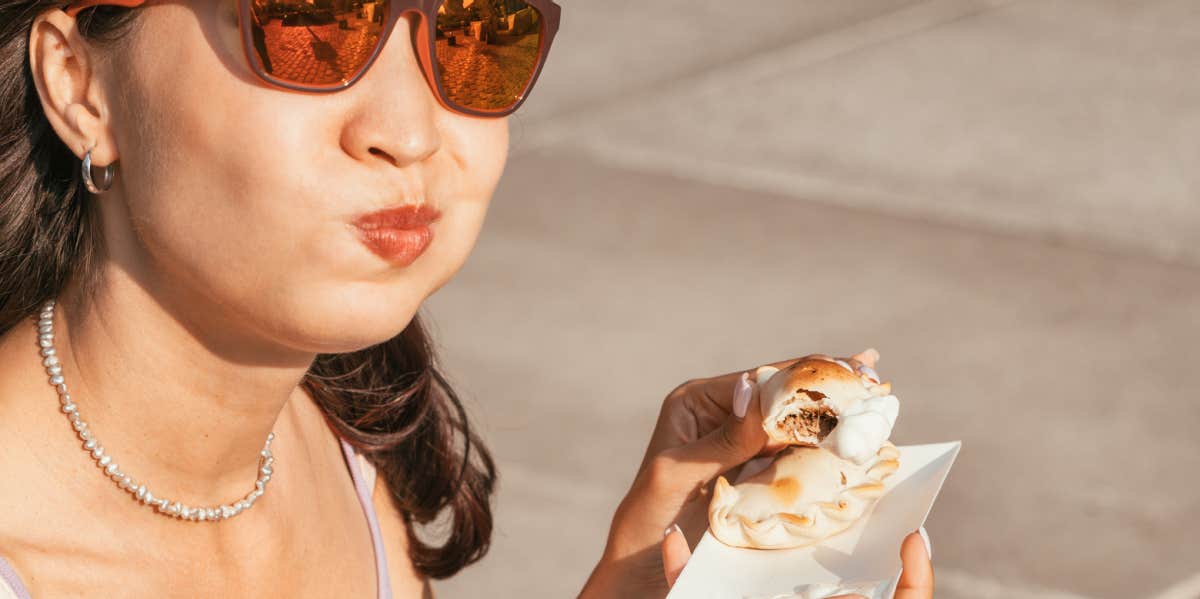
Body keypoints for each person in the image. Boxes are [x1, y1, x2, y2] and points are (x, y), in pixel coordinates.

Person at [0, 0, 933, 597]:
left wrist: (641, 582)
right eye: (312, 22)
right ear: (78, 82)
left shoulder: (342, 447)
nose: (410, 131)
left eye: (478, 33)